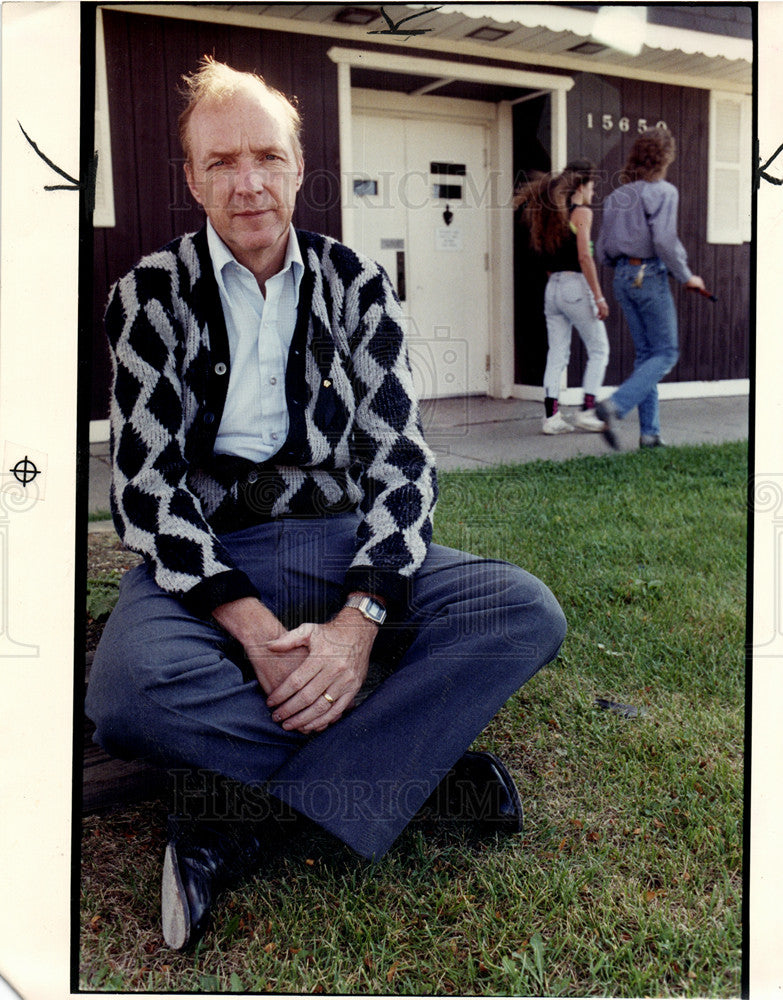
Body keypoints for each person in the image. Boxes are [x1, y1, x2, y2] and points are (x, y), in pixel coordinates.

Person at [85, 58, 567, 952]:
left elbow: (401, 460)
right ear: (192, 178)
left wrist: (360, 620)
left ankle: (237, 824)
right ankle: (425, 783)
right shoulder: (147, 296)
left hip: (340, 541)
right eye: (221, 162)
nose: (248, 183)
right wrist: (257, 633)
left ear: (300, 168)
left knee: (521, 610)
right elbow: (145, 490)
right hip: (215, 557)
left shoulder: (357, 284)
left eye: (267, 157)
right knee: (126, 691)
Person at [595, 128, 705, 449]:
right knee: (666, 352)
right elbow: (664, 241)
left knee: (647, 355)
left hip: (622, 278)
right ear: (666, 158)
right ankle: (615, 405)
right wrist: (686, 276)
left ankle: (650, 434)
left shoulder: (617, 196)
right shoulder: (664, 192)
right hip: (649, 276)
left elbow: (602, 250)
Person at [515, 161, 610, 436]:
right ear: (581, 186)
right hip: (574, 285)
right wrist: (599, 297)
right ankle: (587, 412)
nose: (593, 193)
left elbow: (544, 256)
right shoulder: (581, 213)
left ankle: (551, 417)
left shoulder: (551, 214)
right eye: (592, 187)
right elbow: (584, 257)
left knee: (556, 354)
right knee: (599, 349)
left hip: (552, 287)